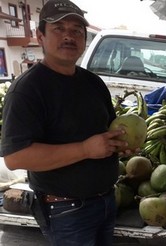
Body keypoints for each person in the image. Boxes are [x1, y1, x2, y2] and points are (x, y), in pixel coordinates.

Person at [0, 0, 132, 245]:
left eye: (76, 31)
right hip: (66, 210)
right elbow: (16, 157)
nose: (68, 36)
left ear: (84, 39)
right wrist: (85, 149)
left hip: (106, 200)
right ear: (40, 37)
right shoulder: (28, 90)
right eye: (58, 29)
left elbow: (108, 132)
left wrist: (121, 145)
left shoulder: (94, 83)